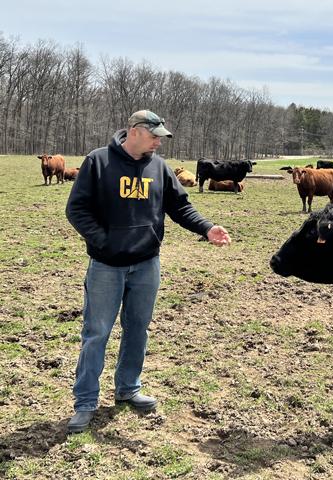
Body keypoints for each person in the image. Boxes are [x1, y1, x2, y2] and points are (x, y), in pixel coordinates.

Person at [65, 110, 231, 433]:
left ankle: (128, 388)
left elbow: (180, 207)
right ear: (134, 131)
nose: (159, 141)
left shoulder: (159, 168)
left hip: (146, 265)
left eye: (160, 137)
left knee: (138, 329)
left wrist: (207, 228)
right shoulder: (98, 163)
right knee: (96, 333)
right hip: (106, 268)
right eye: (154, 136)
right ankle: (85, 402)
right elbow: (76, 209)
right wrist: (104, 242)